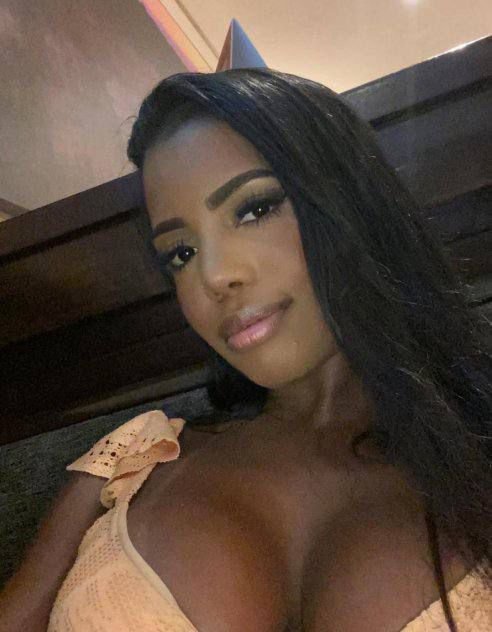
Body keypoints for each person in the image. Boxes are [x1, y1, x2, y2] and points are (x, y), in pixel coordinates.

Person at [1, 67, 491, 631]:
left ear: (350, 200)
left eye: (253, 209)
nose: (213, 276)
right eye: (181, 253)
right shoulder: (134, 460)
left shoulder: (477, 444)